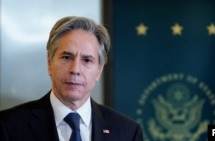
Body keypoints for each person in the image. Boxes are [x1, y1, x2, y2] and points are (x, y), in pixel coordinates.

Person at [0, 16, 144, 141]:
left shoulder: (128, 132)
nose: (75, 70)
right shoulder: (8, 126)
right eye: (66, 57)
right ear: (49, 63)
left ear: (99, 71)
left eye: (87, 60)